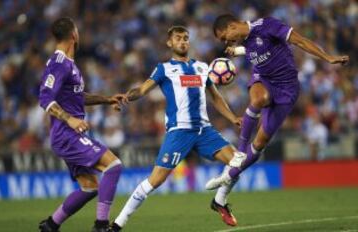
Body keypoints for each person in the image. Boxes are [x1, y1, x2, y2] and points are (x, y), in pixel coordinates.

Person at [110, 25, 246, 231]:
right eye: (178, 38)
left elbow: (216, 97)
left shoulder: (202, 67)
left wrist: (233, 117)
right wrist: (127, 96)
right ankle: (118, 224)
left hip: (203, 130)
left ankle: (219, 202)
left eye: (186, 38)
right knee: (154, 181)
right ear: (170, 43)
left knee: (237, 163)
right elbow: (142, 89)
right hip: (179, 132)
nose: (183, 41)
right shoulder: (164, 69)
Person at [205, 15, 349, 190]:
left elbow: (300, 41)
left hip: (287, 88)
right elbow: (254, 48)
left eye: (223, 37)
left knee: (259, 144)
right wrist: (237, 51)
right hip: (264, 79)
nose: (225, 42)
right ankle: (240, 152)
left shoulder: (267, 25)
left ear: (231, 27)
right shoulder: (245, 40)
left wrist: (327, 58)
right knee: (258, 99)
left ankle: (227, 178)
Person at [38, 17, 126, 232]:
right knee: (113, 166)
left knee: (89, 187)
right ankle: (101, 226)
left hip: (69, 134)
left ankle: (51, 225)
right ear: (74, 35)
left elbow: (77, 97)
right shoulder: (59, 63)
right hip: (67, 134)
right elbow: (45, 98)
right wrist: (69, 119)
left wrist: (106, 100)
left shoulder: (69, 65)